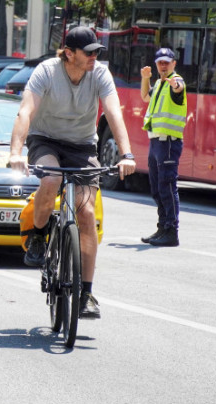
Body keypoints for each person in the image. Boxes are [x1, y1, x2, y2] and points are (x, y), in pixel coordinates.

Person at [9, 26, 136, 320]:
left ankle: (86, 293)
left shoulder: (99, 74)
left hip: (82, 146)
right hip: (45, 139)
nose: (94, 57)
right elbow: (25, 112)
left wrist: (126, 153)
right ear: (69, 53)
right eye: (88, 52)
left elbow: (114, 113)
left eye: (97, 52)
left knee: (87, 213)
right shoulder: (46, 71)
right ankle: (39, 236)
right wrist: (16, 153)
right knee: (51, 179)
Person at [139, 47, 187, 247]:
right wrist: (145, 78)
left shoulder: (176, 81)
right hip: (156, 141)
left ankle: (171, 231)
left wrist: (176, 85)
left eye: (167, 62)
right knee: (157, 188)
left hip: (168, 141)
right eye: (160, 62)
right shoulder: (159, 83)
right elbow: (145, 97)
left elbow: (179, 88)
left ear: (174, 64)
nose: (164, 65)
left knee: (167, 186)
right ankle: (162, 227)